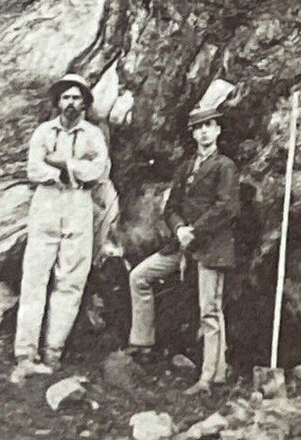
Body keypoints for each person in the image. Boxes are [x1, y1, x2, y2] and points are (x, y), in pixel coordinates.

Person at [125, 98, 240, 392]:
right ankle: (142, 343)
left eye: (208, 126)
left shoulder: (225, 166)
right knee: (139, 276)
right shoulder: (186, 166)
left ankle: (209, 376)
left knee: (210, 311)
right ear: (193, 134)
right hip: (182, 243)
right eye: (198, 128)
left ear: (217, 130)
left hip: (211, 245)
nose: (203, 133)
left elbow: (227, 207)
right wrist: (179, 228)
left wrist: (195, 230)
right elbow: (171, 206)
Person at [11, 73, 112, 382]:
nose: (71, 103)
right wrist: (56, 172)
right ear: (57, 102)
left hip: (79, 204)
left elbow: (99, 169)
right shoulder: (44, 132)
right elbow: (34, 167)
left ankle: (53, 351)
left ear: (84, 103)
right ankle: (26, 353)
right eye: (66, 97)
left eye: (77, 97)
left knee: (70, 279)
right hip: (47, 202)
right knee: (35, 277)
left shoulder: (93, 134)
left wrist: (63, 164)